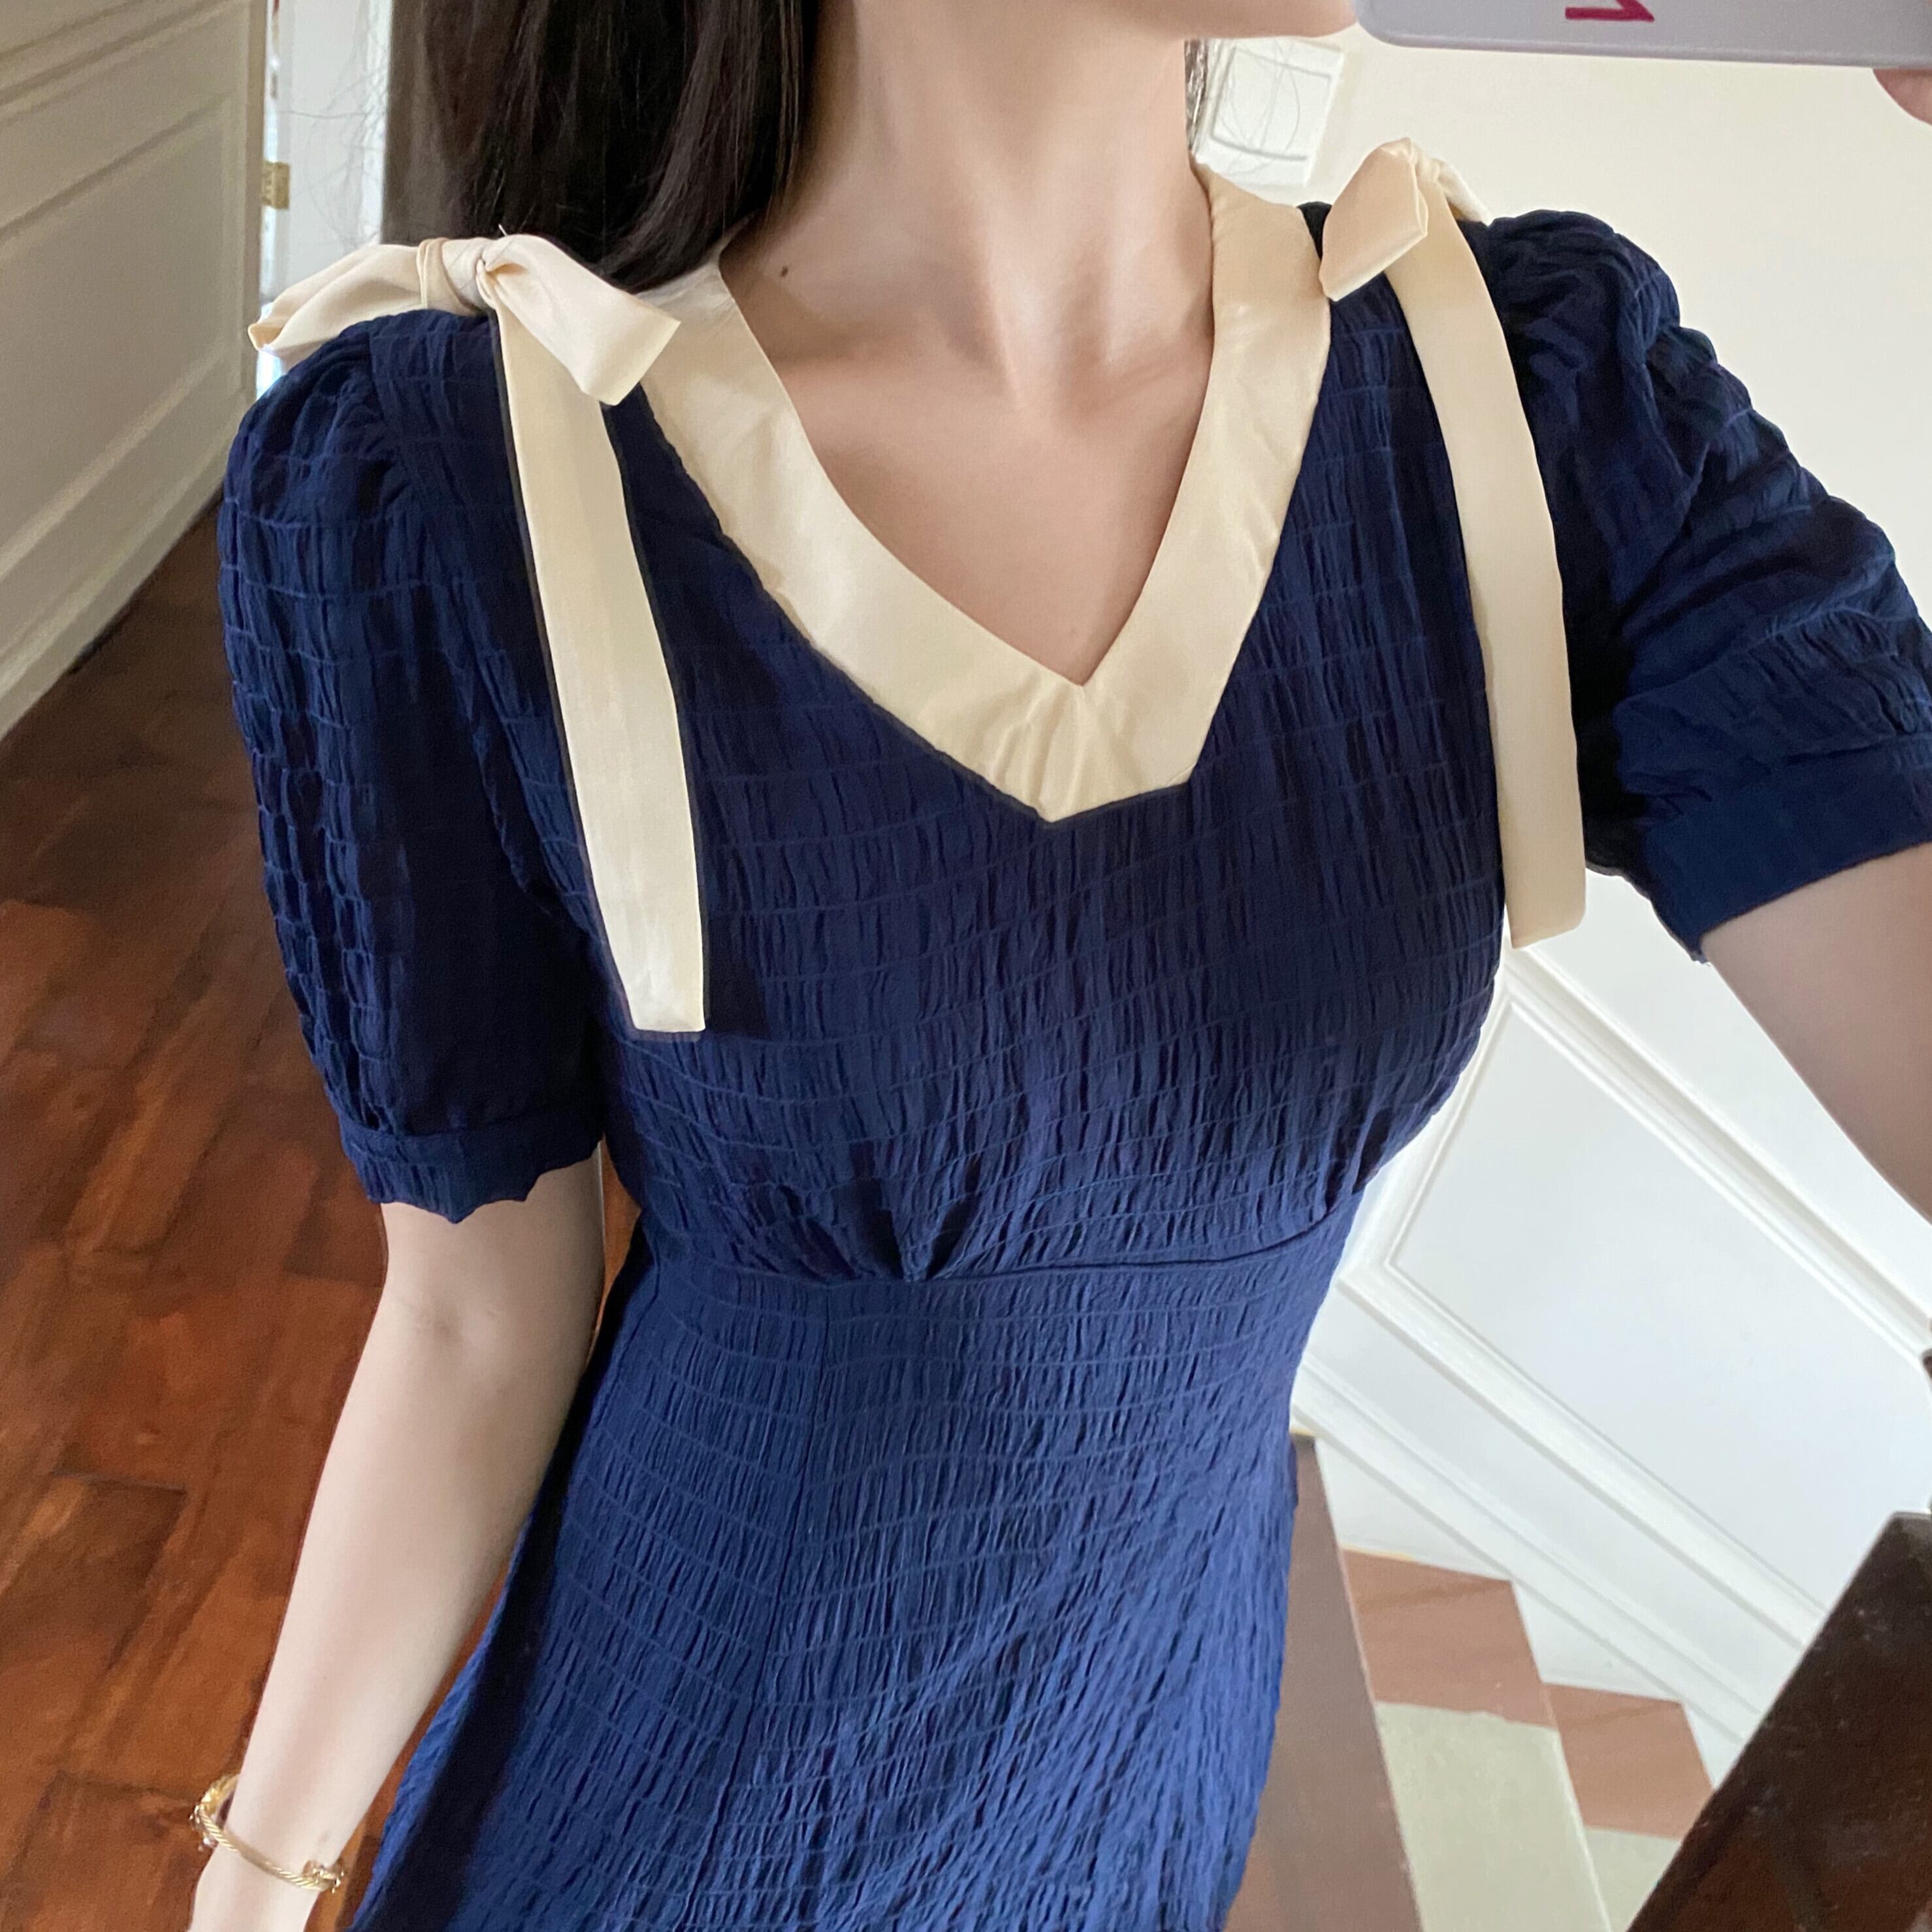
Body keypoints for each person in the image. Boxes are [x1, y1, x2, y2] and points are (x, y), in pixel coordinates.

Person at [196, 3, 1932, 1928]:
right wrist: (257, 1882)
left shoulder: (1530, 395)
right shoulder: (455, 472)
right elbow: (473, 1316)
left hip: (1148, 1779)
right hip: (673, 1825)